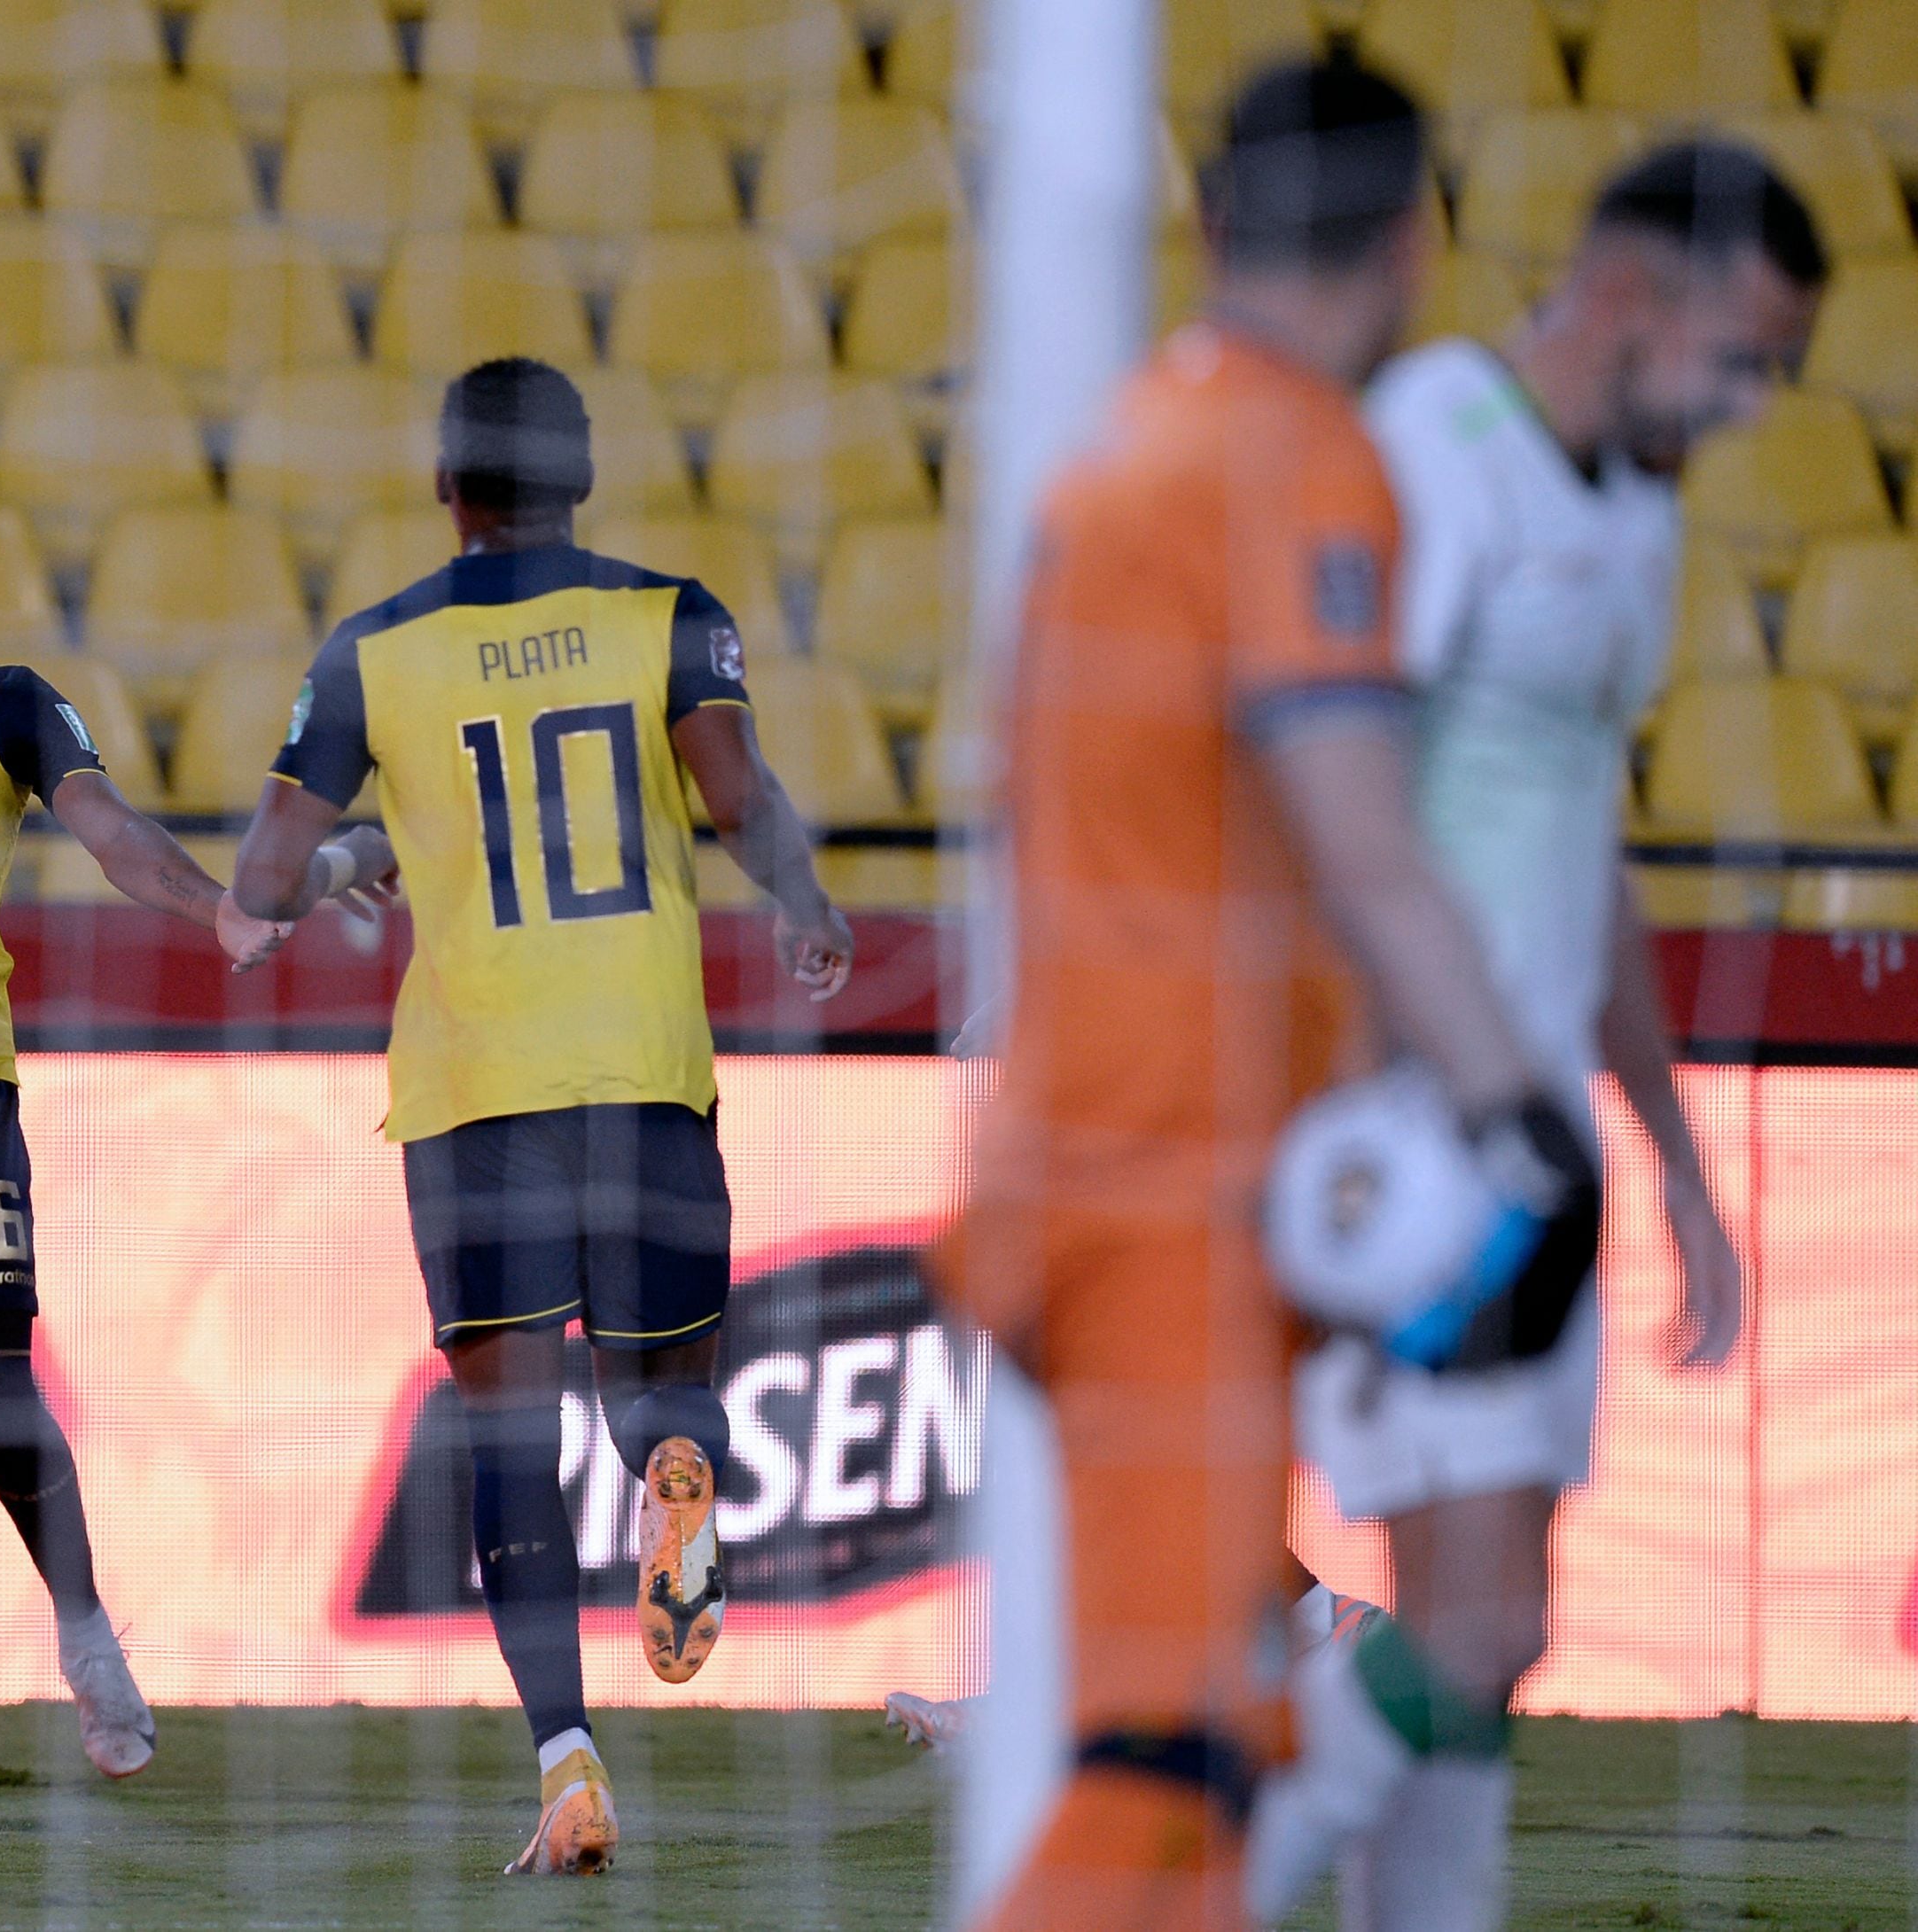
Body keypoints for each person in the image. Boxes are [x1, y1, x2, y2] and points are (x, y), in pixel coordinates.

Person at [931, 60, 1597, 1928]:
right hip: (1172, 1182)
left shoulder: (1125, 439)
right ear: (1414, 241)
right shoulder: (1305, 457)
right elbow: (1366, 839)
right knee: (1172, 1768)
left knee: (1211, 1757)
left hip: (1089, 1154)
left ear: (1209, 224)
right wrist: (1525, 1120)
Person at [1247, 141, 1821, 1932]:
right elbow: (1325, 798)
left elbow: (1588, 872)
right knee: (1492, 1621)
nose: (1754, 404)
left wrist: (1676, 1162)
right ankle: (1177, 1848)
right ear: (1642, 298)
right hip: (1407, 1131)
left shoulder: (1638, 522)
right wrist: (1354, 1128)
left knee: (1479, 1645)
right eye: (1746, 359)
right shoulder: (1432, 444)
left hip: (1534, 1136)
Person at [230, 355, 855, 1876]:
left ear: (448, 490)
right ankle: (673, 1474)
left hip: (473, 1087)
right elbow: (732, 792)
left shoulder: (377, 650)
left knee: (503, 1427)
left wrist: (356, 856)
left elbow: (257, 882)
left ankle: (566, 1765)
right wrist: (808, 903)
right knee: (659, 1382)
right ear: (581, 481)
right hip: (639, 1063)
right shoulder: (670, 614)